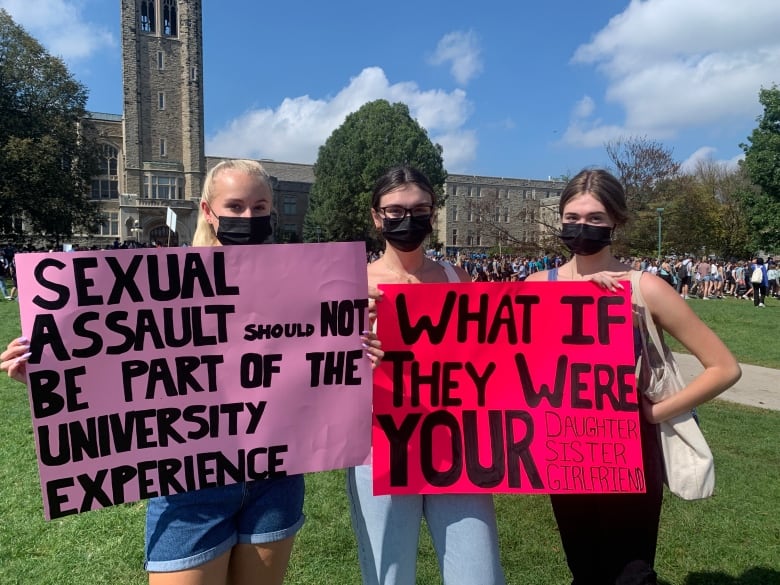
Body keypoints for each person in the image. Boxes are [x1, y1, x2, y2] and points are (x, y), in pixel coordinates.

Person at [1, 159, 383, 585]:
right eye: (235, 207)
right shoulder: (164, 285)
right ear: (207, 210)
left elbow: (311, 363)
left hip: (275, 476)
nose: (249, 217)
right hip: (191, 484)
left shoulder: (305, 280)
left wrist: (352, 346)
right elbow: (127, 363)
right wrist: (55, 371)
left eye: (260, 207)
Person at [525, 168, 741, 585]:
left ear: (615, 223)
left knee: (631, 573)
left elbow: (724, 367)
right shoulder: (537, 286)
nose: (581, 228)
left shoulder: (645, 287)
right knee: (584, 569)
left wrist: (657, 411)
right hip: (564, 444)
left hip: (628, 449)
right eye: (572, 218)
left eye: (594, 219)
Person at [347, 166, 506, 585]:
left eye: (419, 209)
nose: (408, 219)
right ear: (376, 217)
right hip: (380, 446)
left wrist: (585, 291)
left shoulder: (458, 278)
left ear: (433, 214)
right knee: (389, 576)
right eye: (395, 210)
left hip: (455, 443)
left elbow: (493, 356)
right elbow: (320, 379)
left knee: (479, 575)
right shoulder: (350, 285)